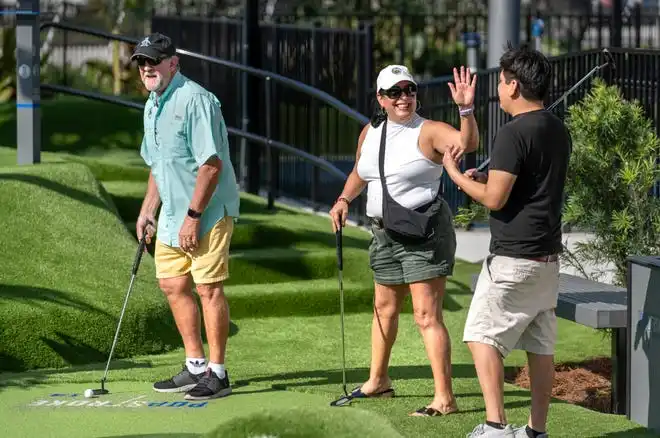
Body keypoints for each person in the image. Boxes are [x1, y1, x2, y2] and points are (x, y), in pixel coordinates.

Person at [329, 64, 479, 416]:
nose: (404, 98)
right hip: (383, 233)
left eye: (409, 90)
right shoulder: (369, 132)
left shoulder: (428, 131)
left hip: (423, 232)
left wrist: (466, 110)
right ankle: (378, 381)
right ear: (380, 98)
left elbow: (467, 144)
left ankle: (445, 398)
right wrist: (342, 200)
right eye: (394, 92)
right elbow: (359, 173)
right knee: (384, 307)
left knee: (426, 315)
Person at [441, 44, 570, 438]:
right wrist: (488, 180)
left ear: (514, 86)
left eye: (500, 82)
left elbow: (495, 199)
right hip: (547, 261)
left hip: (513, 259)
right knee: (540, 347)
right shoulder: (557, 129)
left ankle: (496, 426)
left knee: (480, 336)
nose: (498, 89)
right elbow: (525, 187)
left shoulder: (513, 133)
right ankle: (536, 432)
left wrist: (457, 175)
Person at [132, 32, 240, 401]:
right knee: (172, 284)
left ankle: (218, 372)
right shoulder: (152, 103)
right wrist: (148, 211)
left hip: (206, 212)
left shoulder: (195, 100)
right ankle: (195, 366)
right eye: (142, 62)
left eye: (154, 60)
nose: (148, 68)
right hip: (171, 215)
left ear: (173, 62)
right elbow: (158, 164)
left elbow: (210, 166)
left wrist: (193, 217)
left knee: (208, 289)